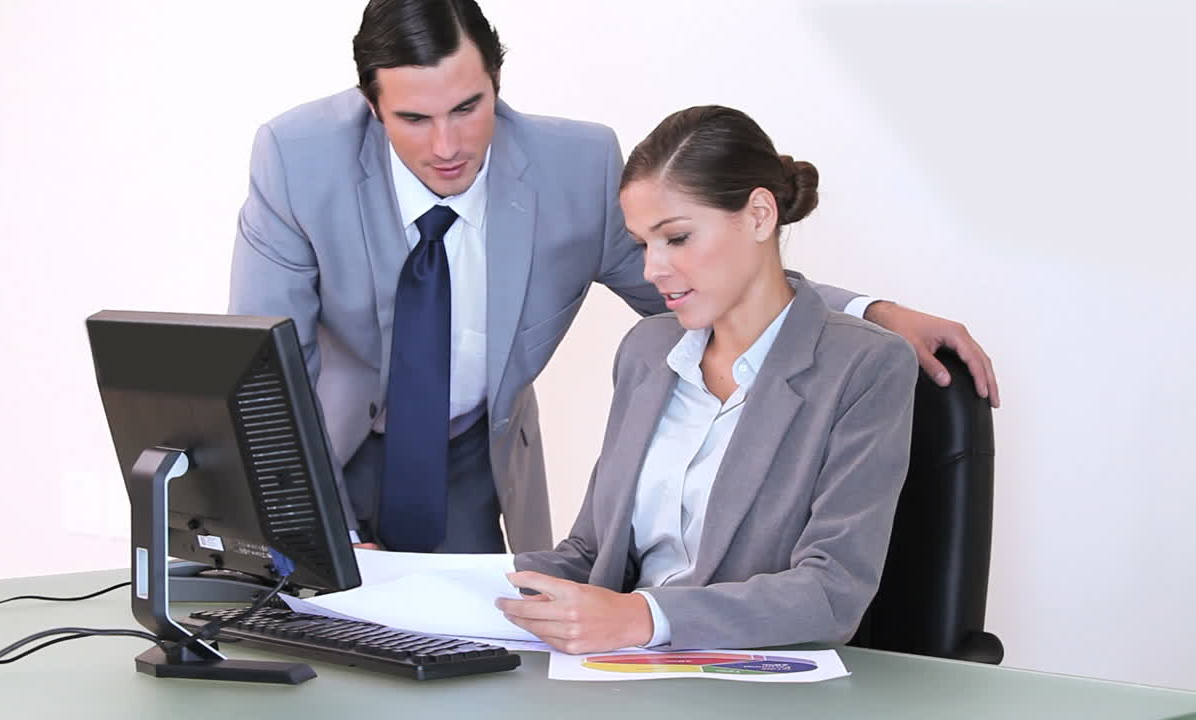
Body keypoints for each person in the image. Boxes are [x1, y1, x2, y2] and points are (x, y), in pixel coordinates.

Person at [227, 0, 994, 555]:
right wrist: (310, 525)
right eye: (415, 120)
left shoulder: (576, 168)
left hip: (468, 460)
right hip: (319, 446)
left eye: (470, 107)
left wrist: (871, 309)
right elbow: (265, 372)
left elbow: (708, 281)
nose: (450, 144)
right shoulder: (299, 160)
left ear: (498, 81)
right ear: (371, 105)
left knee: (458, 670)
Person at [500, 106, 918, 653]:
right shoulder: (648, 351)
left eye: (676, 238)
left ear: (760, 215)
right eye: (641, 244)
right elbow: (589, 552)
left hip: (748, 685)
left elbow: (831, 592)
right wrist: (422, 582)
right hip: (618, 678)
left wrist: (640, 617)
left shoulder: (864, 367)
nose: (653, 270)